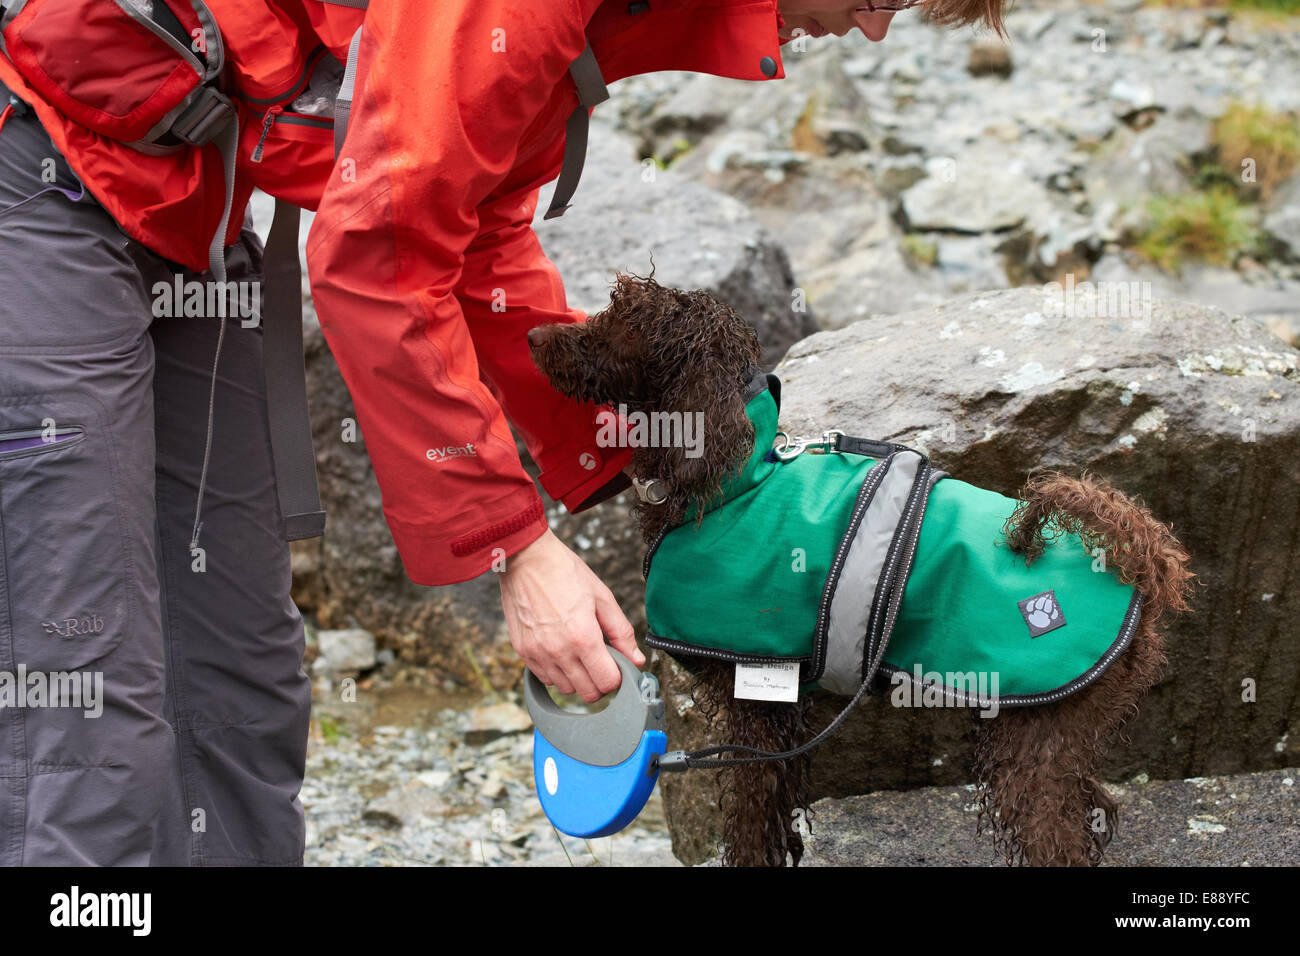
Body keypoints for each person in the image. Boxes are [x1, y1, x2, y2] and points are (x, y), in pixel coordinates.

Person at [0, 0, 996, 865]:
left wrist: (639, 461)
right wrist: (513, 546)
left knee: (239, 673)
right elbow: (377, 247)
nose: (870, 27)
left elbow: (472, 240)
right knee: (89, 671)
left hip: (193, 221)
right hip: (41, 179)